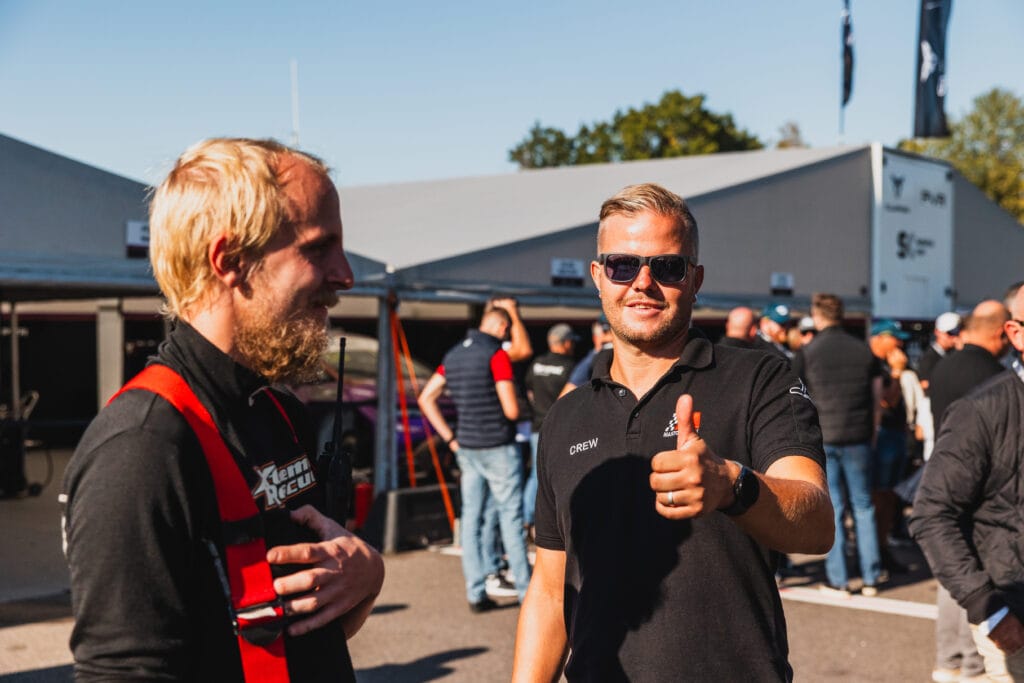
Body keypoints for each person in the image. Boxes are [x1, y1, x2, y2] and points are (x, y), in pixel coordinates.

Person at [61, 138, 385, 681]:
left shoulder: (279, 412)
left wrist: (368, 575)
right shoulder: (143, 447)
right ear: (231, 261)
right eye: (318, 248)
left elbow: (289, 631)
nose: (345, 275)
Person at [513, 183, 832, 682]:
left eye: (666, 267)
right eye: (622, 264)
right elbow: (552, 590)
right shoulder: (566, 415)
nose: (642, 283)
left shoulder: (759, 379)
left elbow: (816, 522)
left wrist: (733, 485)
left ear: (695, 278)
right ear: (598, 277)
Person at [910, 289, 1024, 681]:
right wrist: (987, 608)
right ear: (1016, 334)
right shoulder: (983, 408)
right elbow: (931, 514)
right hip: (1014, 609)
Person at [418, 306, 532, 611]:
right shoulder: (496, 356)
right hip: (498, 446)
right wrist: (524, 409)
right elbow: (510, 410)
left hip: (466, 447)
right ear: (501, 327)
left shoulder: (453, 356)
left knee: (471, 518)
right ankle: (526, 592)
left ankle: (475, 592)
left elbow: (425, 398)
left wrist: (450, 438)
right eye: (506, 331)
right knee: (510, 518)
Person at [793, 293, 884, 597]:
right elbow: (876, 399)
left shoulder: (809, 352)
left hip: (825, 436)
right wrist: (873, 431)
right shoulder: (863, 350)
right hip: (858, 435)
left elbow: (799, 398)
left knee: (835, 507)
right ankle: (871, 576)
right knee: (863, 506)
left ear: (817, 317)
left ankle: (839, 580)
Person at [523, 323, 578, 530]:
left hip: (536, 426)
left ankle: (527, 518)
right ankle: (546, 521)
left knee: (536, 475)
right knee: (558, 474)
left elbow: (529, 392)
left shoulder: (537, 363)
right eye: (571, 341)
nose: (572, 345)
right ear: (565, 343)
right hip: (560, 428)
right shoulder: (570, 367)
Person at [558, 315, 613, 396]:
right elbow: (565, 396)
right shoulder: (589, 362)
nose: (610, 338)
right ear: (595, 338)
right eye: (606, 332)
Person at [916, 312, 962, 392]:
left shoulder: (954, 353)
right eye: (950, 333)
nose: (954, 337)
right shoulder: (929, 357)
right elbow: (924, 383)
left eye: (957, 333)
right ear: (937, 332)